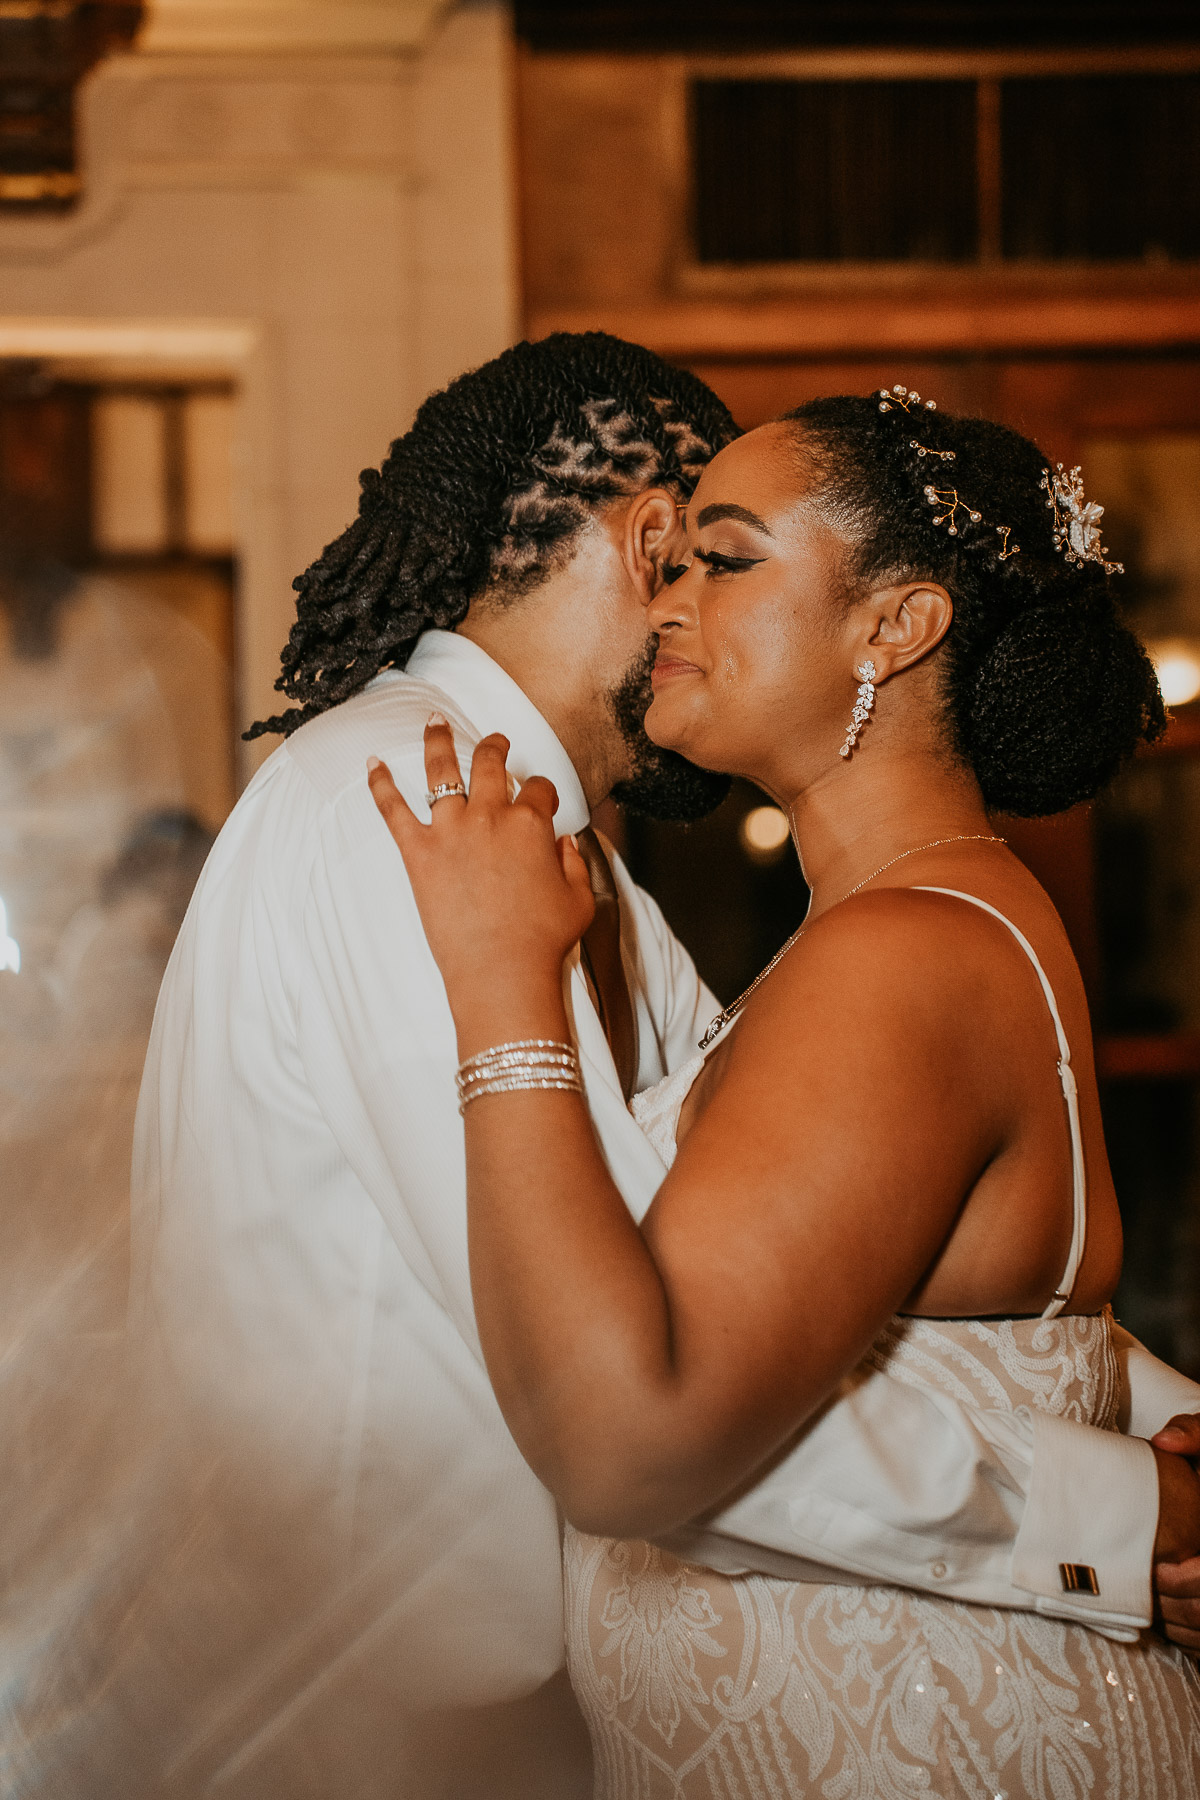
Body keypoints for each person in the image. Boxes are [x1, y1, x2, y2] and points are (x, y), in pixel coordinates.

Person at [367, 387, 1200, 1797]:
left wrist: (502, 989)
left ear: (896, 626)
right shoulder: (909, 927)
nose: (667, 603)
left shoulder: (905, 955)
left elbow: (630, 1445)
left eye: (725, 559)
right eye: (673, 559)